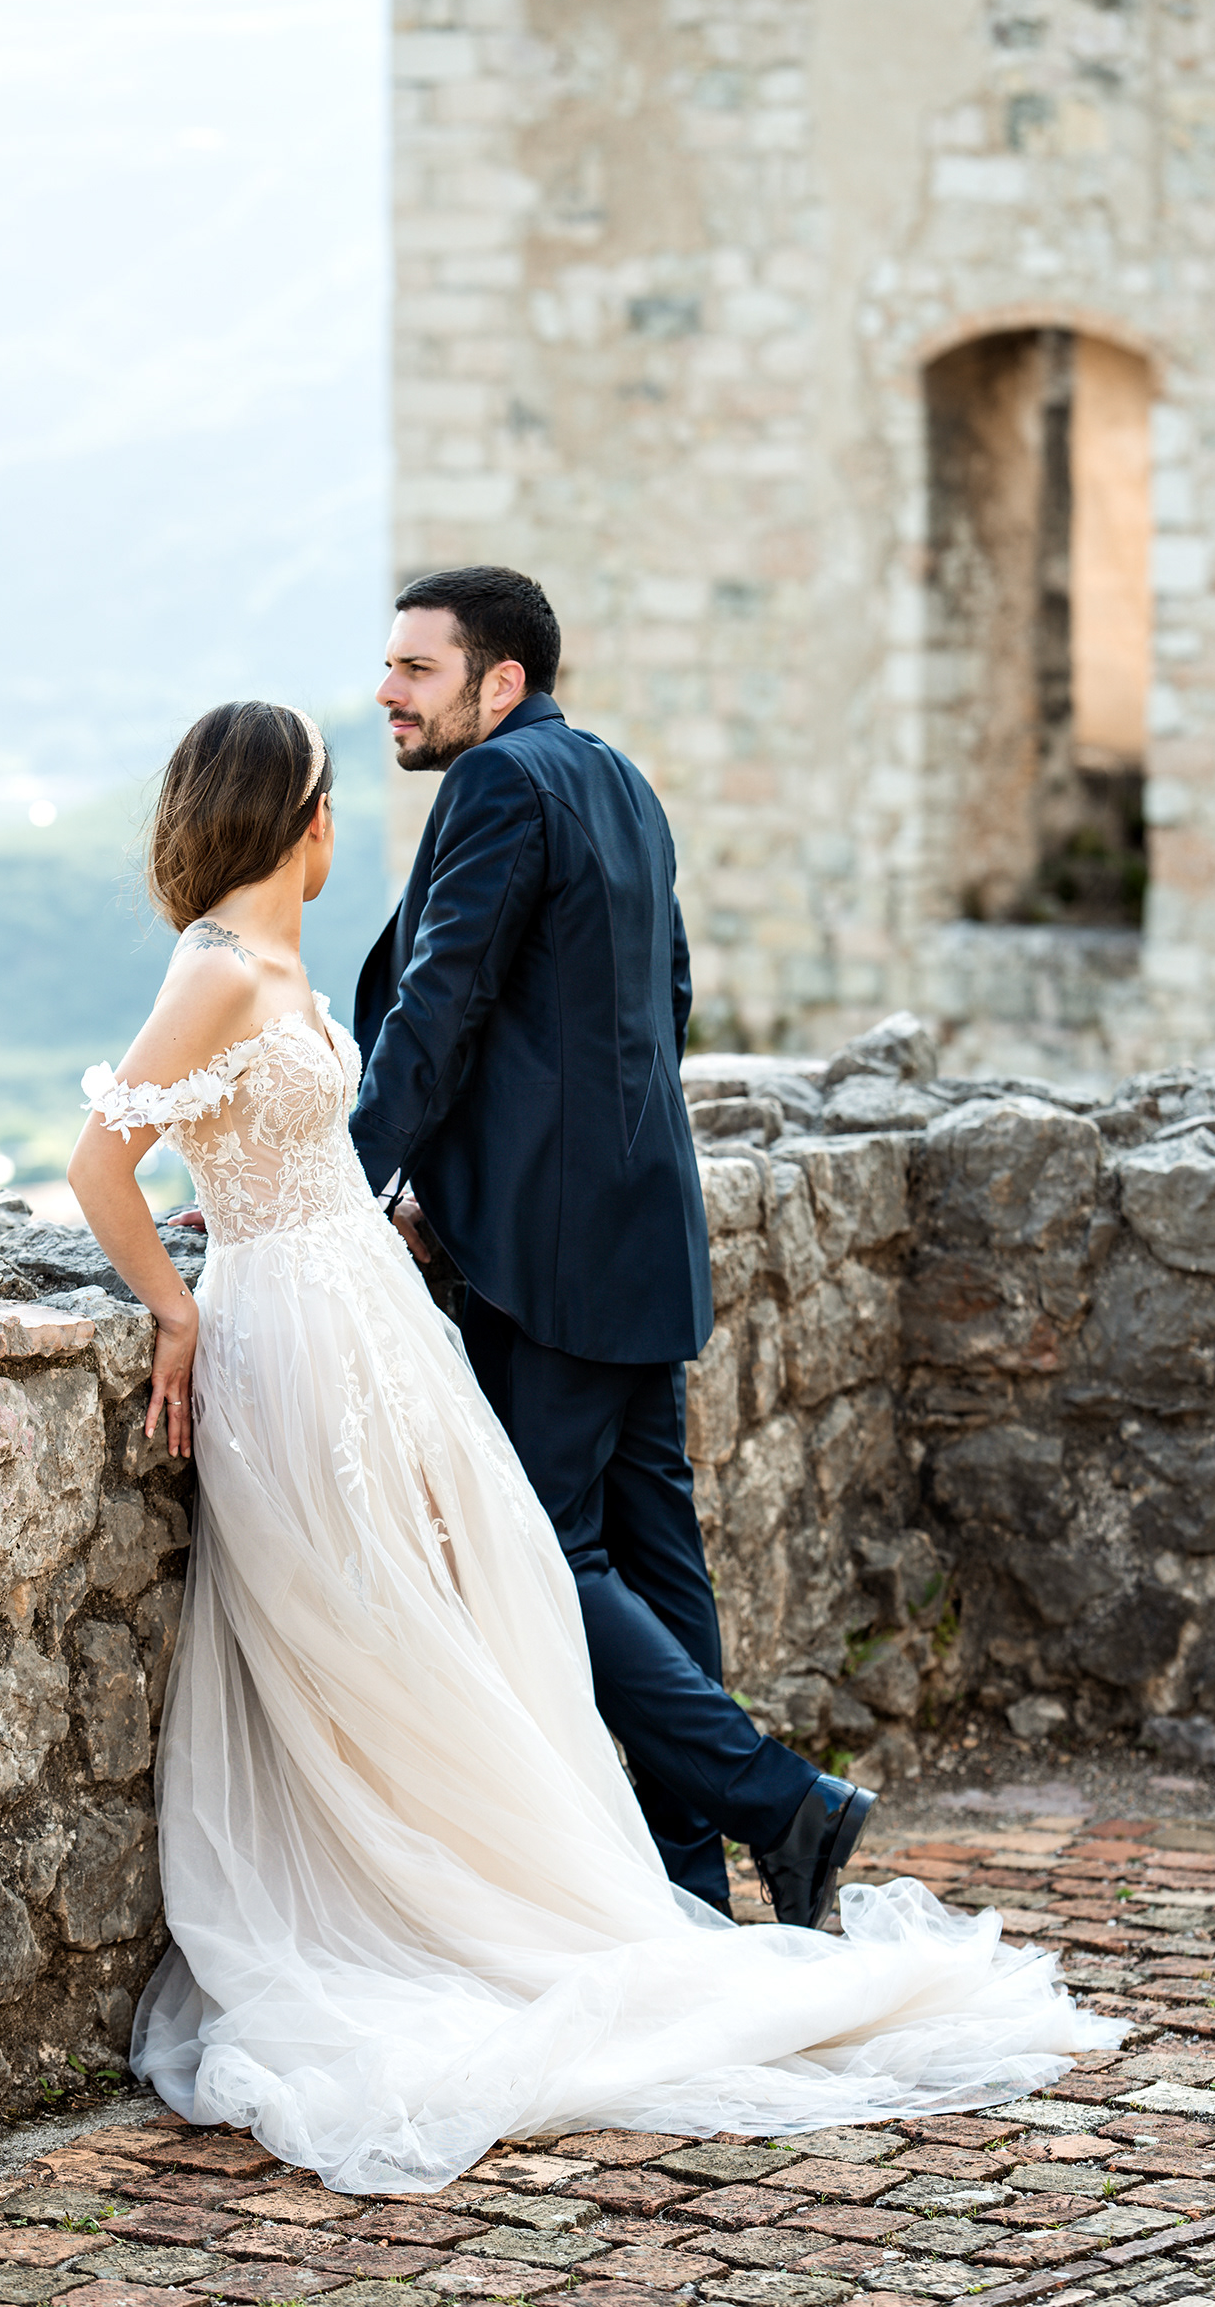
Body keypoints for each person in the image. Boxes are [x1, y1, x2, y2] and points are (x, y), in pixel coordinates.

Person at [69, 695, 1119, 2193]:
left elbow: (294, 1139)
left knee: (466, 1604)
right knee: (372, 1627)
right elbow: (99, 1161)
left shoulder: (278, 964)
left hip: (372, 1322)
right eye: (323, 801)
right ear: (289, 817)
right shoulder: (219, 965)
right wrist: (174, 1310)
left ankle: (604, 1871)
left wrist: (347, 1204)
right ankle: (507, 1885)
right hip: (288, 1343)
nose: (332, 825)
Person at [351, 566, 865, 1925]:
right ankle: (697, 1882)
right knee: (657, 1555)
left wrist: (345, 1190)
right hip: (641, 1226)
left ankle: (782, 1802)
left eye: (416, 668)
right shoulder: (622, 781)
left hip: (550, 1254)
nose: (388, 690)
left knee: (542, 1555)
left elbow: (439, 1007)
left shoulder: (496, 784)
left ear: (500, 681)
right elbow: (665, 993)